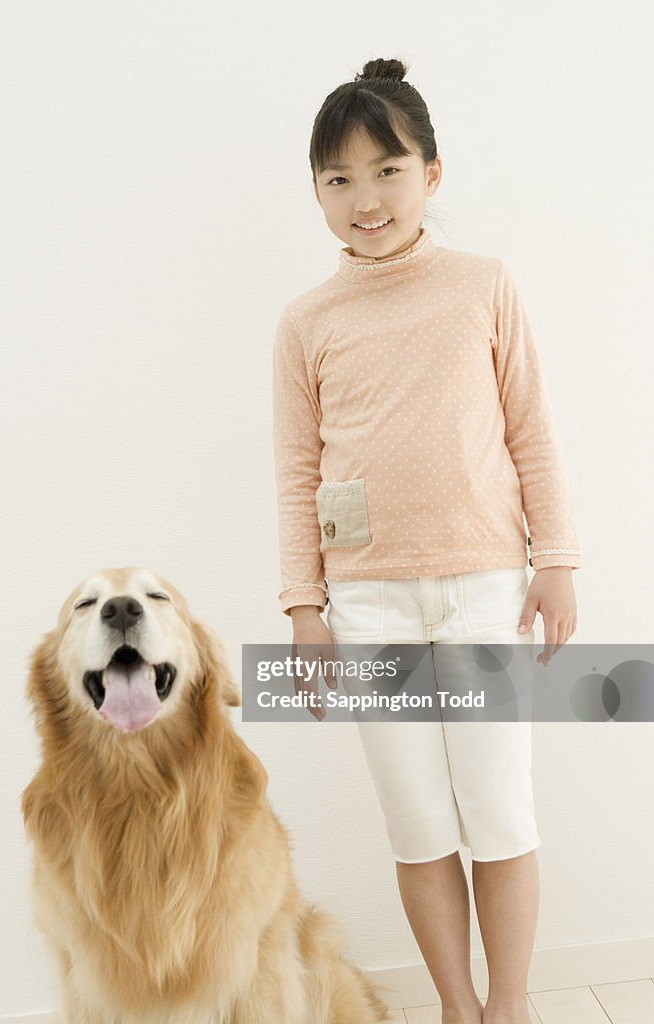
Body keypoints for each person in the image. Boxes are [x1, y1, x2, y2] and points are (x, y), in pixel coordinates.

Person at [271, 57, 581, 1024]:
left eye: (386, 171)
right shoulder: (305, 323)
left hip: (485, 586)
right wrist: (305, 609)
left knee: (498, 812)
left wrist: (556, 559)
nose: (365, 199)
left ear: (431, 174)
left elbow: (530, 428)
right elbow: (292, 475)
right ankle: (456, 1007)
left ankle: (512, 1004)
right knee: (419, 826)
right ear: (317, 192)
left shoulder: (484, 286)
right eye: (338, 180)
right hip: (367, 606)